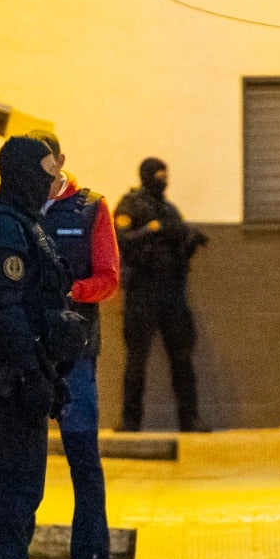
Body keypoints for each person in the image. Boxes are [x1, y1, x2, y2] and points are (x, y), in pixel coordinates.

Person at [0, 136, 87, 559]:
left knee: (26, 482)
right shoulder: (2, 230)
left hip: (30, 371)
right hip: (13, 374)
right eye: (44, 174)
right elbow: (6, 309)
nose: (50, 183)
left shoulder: (26, 225)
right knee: (16, 481)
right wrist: (30, 368)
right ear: (20, 174)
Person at [27, 129, 118, 559]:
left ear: (60, 160)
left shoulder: (91, 208)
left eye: (45, 166)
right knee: (22, 457)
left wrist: (69, 292)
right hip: (26, 347)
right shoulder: (14, 209)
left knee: (82, 452)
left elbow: (108, 277)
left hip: (75, 349)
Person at [114, 157, 210, 433]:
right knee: (136, 360)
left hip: (172, 294)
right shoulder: (130, 206)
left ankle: (189, 419)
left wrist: (189, 237)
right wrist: (153, 229)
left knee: (182, 358)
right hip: (142, 294)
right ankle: (130, 422)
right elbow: (121, 241)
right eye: (158, 175)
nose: (163, 180)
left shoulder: (170, 210)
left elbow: (180, 245)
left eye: (165, 175)